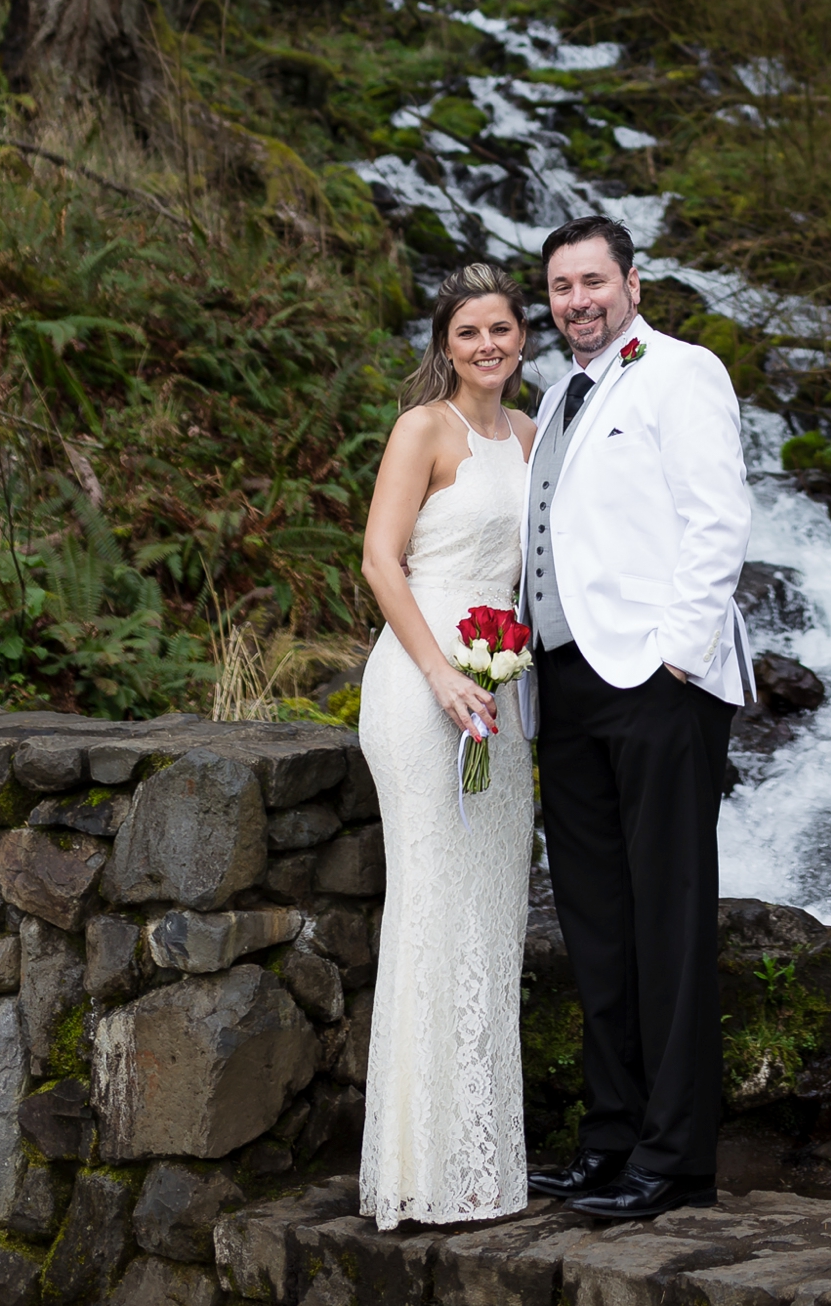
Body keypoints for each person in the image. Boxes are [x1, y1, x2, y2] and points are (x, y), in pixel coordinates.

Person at [522, 214, 754, 1223]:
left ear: (632, 281)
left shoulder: (681, 371)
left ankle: (676, 1158)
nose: (576, 298)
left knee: (665, 924)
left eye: (591, 280)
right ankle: (609, 1139)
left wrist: (674, 661)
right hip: (564, 690)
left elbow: (718, 518)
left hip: (658, 688)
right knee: (596, 929)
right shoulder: (552, 390)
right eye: (561, 285)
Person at [357, 262, 538, 1232]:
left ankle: (481, 1166)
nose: (485, 344)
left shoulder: (535, 434)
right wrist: (438, 673)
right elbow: (380, 559)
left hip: (504, 693)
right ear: (445, 341)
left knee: (489, 915)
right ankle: (417, 1168)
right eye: (469, 330)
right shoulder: (422, 429)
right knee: (432, 908)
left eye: (501, 327)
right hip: (424, 685)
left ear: (521, 337)